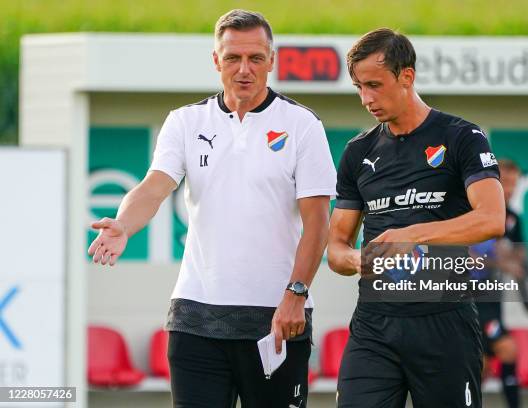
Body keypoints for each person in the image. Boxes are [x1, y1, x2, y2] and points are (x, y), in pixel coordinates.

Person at [87, 9, 336, 408]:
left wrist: (296, 293)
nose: (244, 69)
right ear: (216, 60)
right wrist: (122, 224)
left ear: (272, 61)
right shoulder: (185, 122)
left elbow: (318, 223)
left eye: (256, 58)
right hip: (195, 317)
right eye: (233, 58)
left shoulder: (302, 125)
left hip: (275, 317)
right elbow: (153, 187)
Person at [327, 28, 505, 408]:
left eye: (374, 85)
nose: (366, 98)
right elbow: (335, 247)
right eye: (359, 87)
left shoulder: (462, 137)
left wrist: (414, 235)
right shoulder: (358, 152)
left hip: (445, 321)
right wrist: (360, 260)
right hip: (374, 324)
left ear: (406, 76)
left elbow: (491, 219)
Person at [470, 159, 525, 408]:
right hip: (471, 299)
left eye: (515, 183)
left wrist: (514, 263)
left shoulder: (513, 218)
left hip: (494, 298)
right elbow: (468, 257)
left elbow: (520, 257)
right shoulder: (475, 213)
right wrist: (498, 261)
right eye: (506, 182)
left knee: (480, 367)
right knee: (507, 350)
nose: (511, 189)